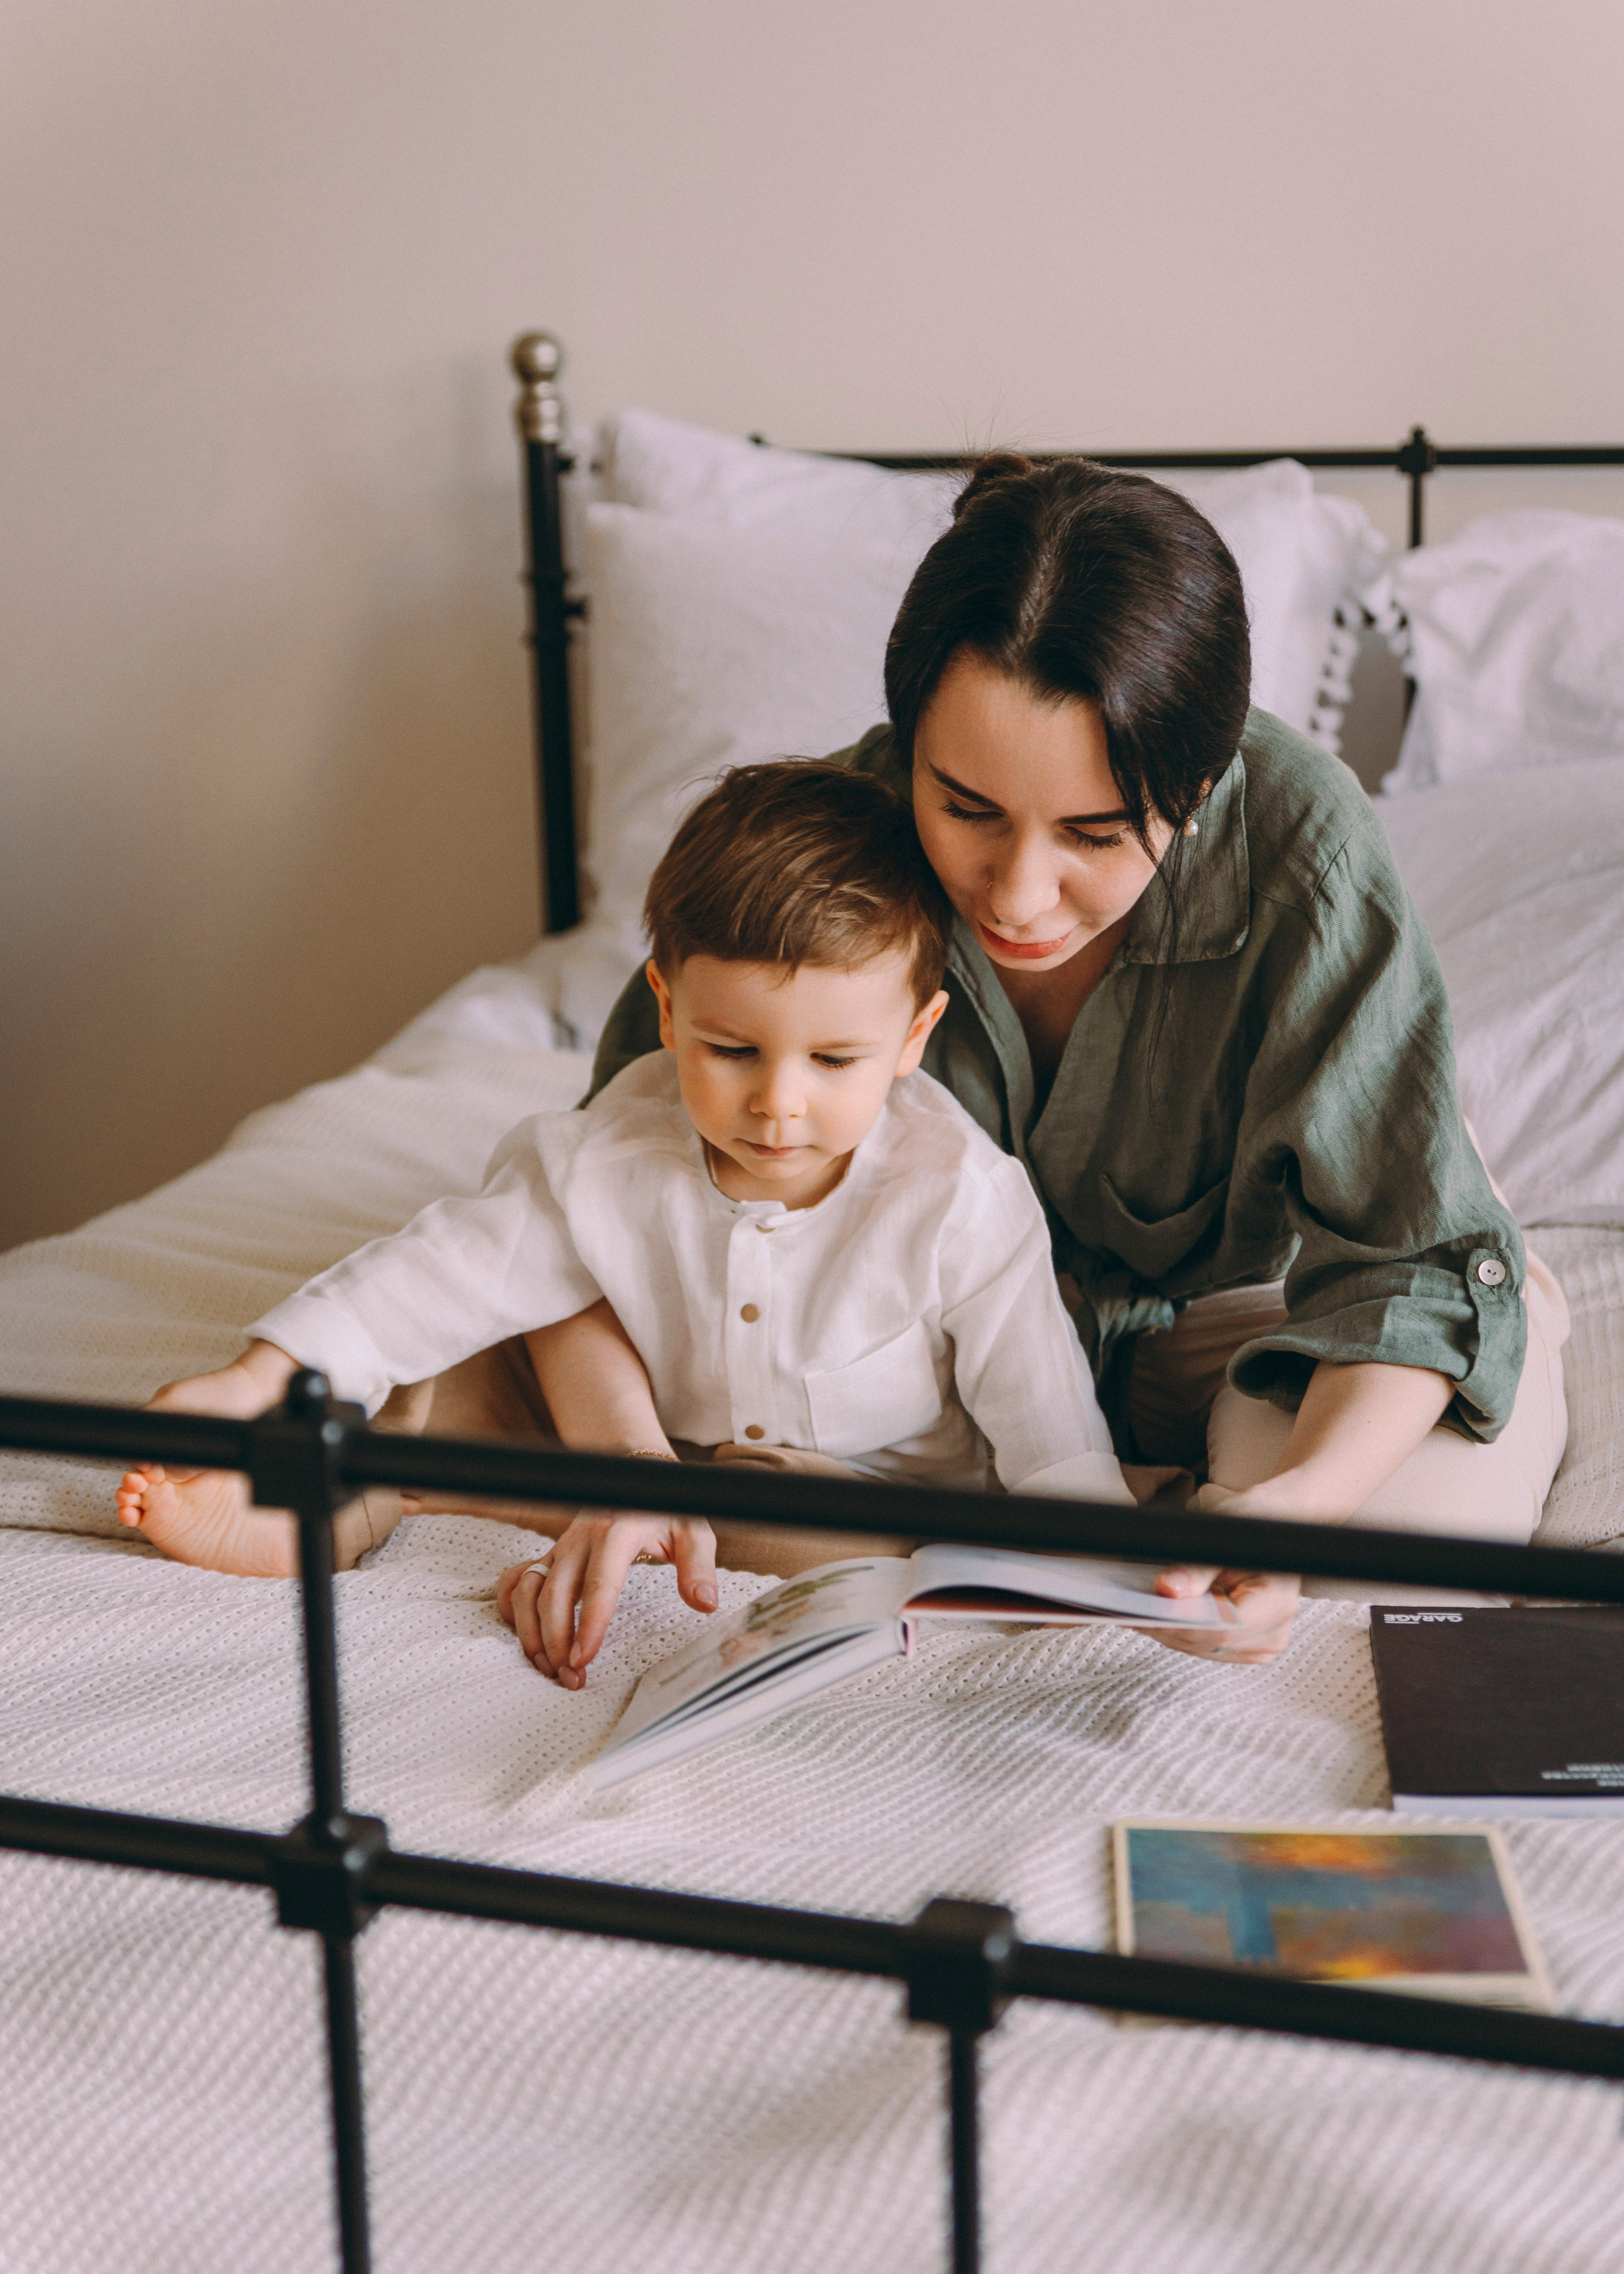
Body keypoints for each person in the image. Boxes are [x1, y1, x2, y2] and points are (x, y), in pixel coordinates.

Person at [580, 453, 1570, 1668]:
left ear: (1196, 790)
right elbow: (596, 1200)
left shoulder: (1302, 848)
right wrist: (629, 1466)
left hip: (1268, 1315)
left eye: (1096, 834)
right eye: (967, 809)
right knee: (704, 1468)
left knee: (1388, 1563)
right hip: (950, 1363)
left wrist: (1296, 1505)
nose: (1018, 896)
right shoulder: (819, 845)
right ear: (907, 743)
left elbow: (1406, 1263)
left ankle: (1235, 1480)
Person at [116, 761, 1137, 1685]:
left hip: (851, 1484)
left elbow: (1046, 1426)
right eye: (730, 1050)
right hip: (641, 1436)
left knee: (833, 1536)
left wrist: (1105, 1568)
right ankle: (343, 1497)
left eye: (834, 1062)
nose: (778, 1105)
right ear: (667, 1008)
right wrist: (258, 1377)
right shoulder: (614, 1148)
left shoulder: (960, 1195)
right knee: (447, 1346)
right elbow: (446, 1267)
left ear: (914, 1037)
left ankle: (579, 1517)